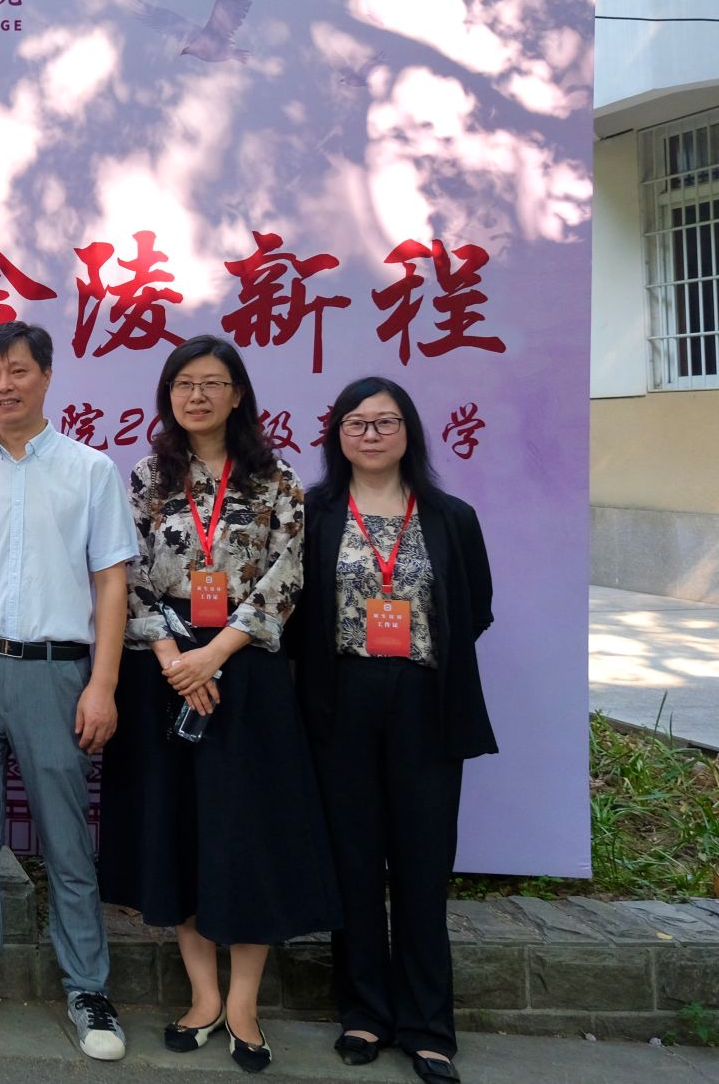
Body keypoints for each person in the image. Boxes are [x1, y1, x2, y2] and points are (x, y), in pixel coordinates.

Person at [98, 334, 338, 1075]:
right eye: (184, 383)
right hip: (163, 667)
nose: (197, 395)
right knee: (181, 827)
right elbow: (126, 573)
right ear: (168, 395)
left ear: (237, 395)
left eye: (212, 383)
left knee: (246, 832)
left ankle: (243, 1004)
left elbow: (287, 576)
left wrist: (216, 653)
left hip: (246, 669)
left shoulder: (275, 478)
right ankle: (202, 995)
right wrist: (175, 658)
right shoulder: (147, 476)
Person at [0, 321, 134, 1061]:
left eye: (17, 370)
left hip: (56, 672)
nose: (3, 385)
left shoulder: (90, 470)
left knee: (66, 838)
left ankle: (87, 988)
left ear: (46, 375)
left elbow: (112, 583)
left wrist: (102, 682)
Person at [291, 378, 496, 1084]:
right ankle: (364, 1012)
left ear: (409, 431)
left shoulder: (450, 516)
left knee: (422, 864)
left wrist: (410, 657)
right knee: (352, 860)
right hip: (340, 698)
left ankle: (428, 1026)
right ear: (337, 436)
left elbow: (475, 607)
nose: (371, 434)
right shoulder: (313, 513)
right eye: (357, 422)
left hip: (424, 700)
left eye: (385, 421)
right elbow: (294, 611)